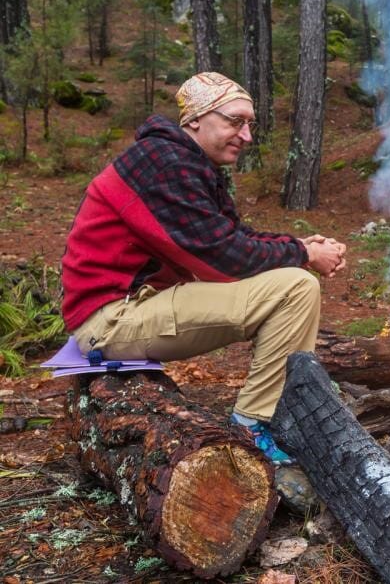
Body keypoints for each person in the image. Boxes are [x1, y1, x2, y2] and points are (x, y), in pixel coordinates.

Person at [61, 72, 346, 465]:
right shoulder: (163, 162)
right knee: (296, 288)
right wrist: (301, 253)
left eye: (249, 124)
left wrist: (300, 247)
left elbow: (233, 236)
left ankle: (270, 415)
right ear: (195, 119)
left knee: (293, 279)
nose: (246, 135)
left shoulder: (184, 161)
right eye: (235, 121)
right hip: (110, 321)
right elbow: (223, 259)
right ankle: (254, 424)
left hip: (131, 307)